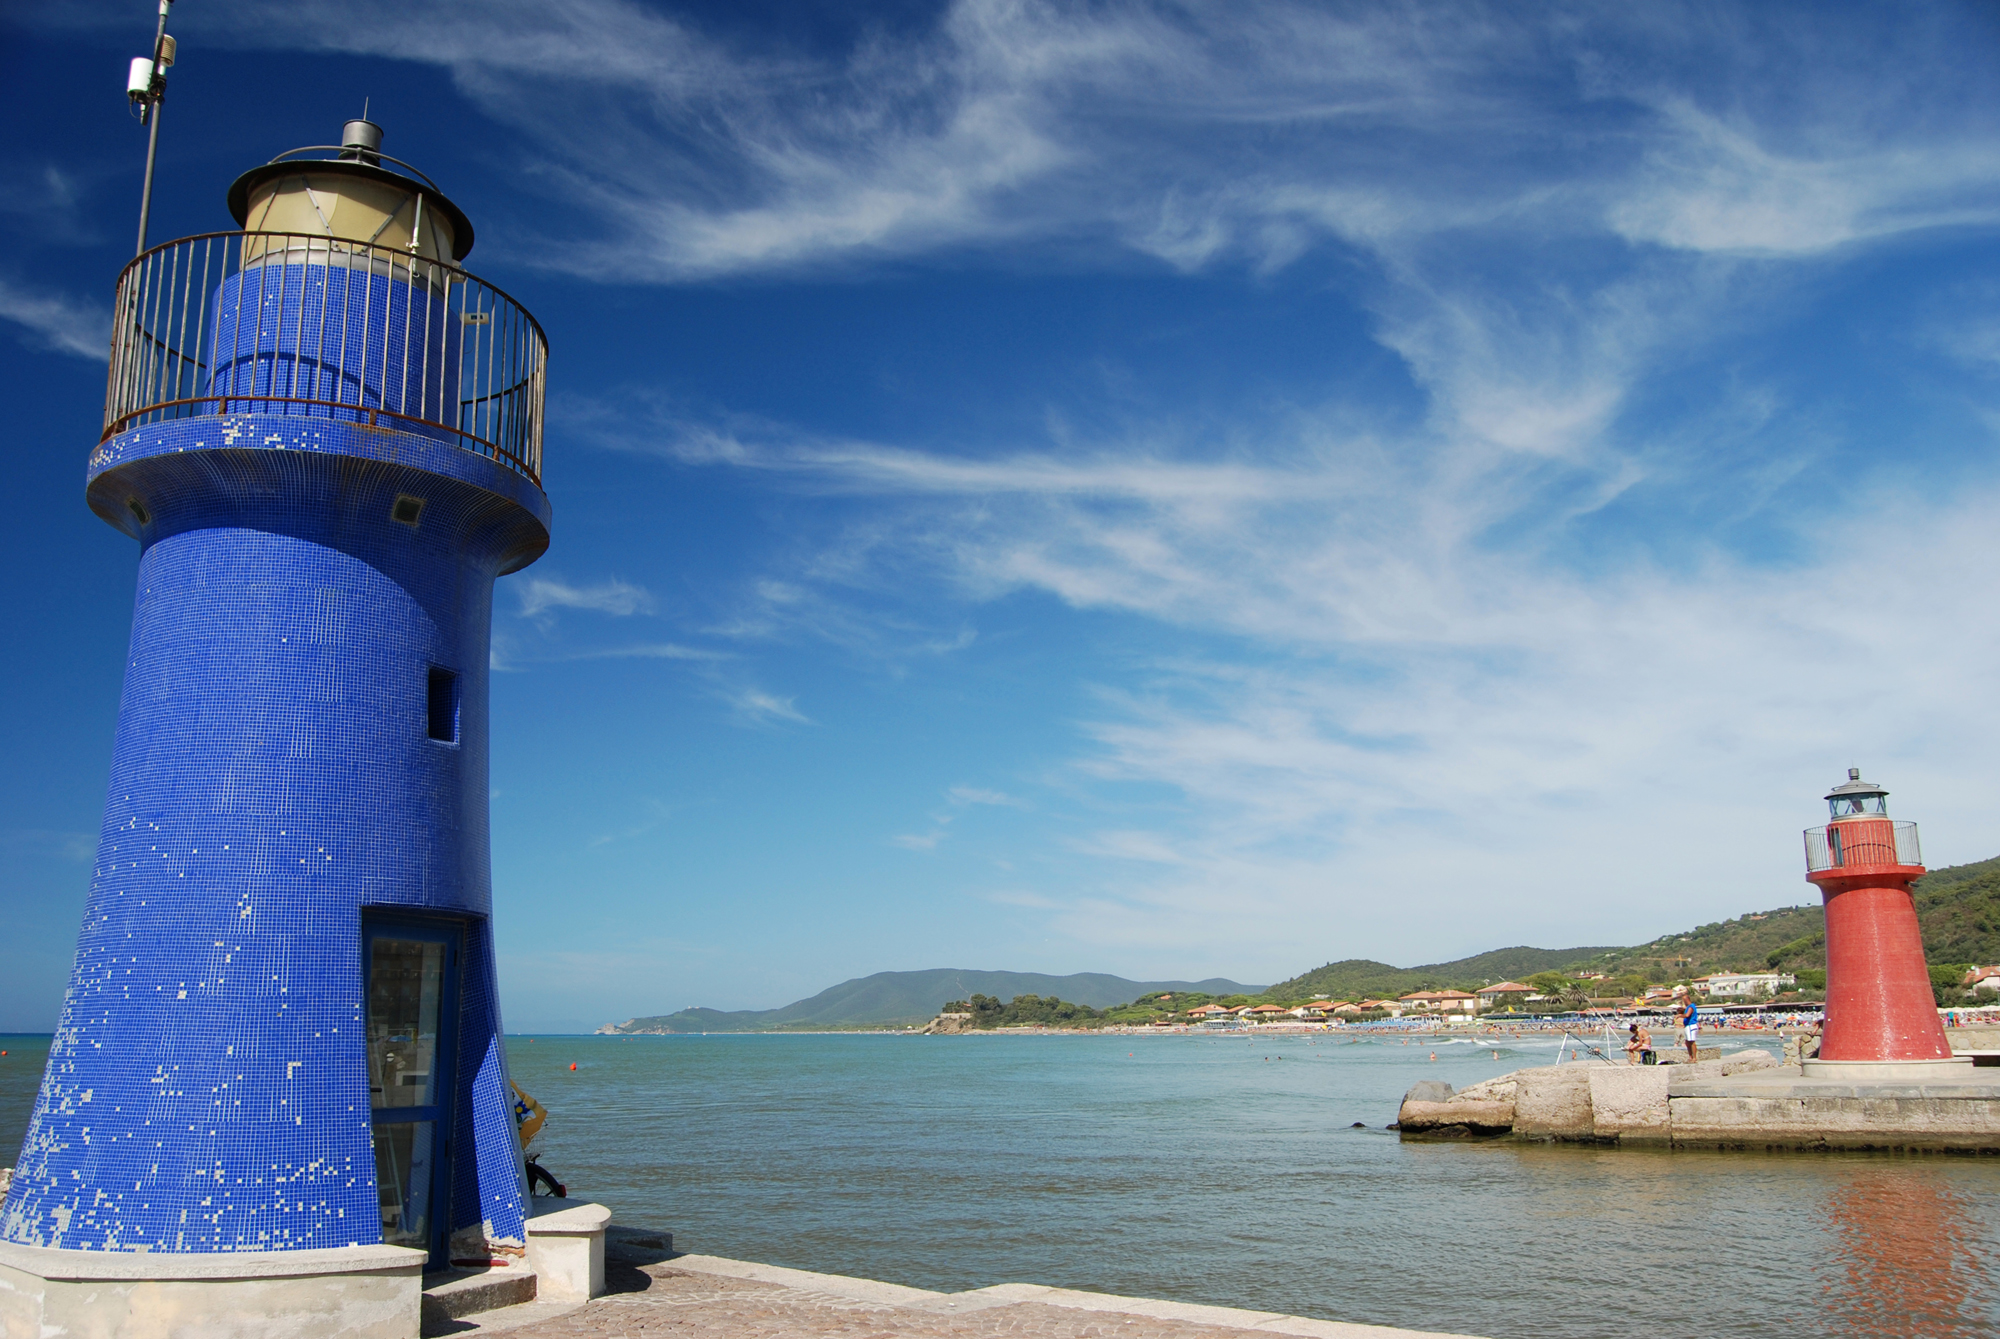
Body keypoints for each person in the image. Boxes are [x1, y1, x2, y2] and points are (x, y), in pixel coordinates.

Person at [1678, 990, 1699, 1062]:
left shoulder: (1691, 1007)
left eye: (1684, 1000)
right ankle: (1690, 1057)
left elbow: (1687, 1015)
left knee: (1692, 1042)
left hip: (1691, 1025)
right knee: (1687, 1042)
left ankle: (1694, 1057)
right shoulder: (1688, 1007)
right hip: (1688, 1026)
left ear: (1687, 1000)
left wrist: (1680, 1016)